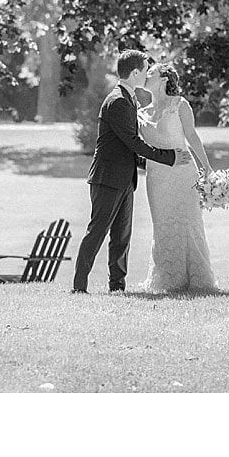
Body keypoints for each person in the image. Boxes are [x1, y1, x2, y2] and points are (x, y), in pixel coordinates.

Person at [72, 50, 194, 293]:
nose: (148, 73)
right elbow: (133, 142)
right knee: (97, 231)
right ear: (135, 72)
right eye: (146, 68)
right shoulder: (117, 101)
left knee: (122, 236)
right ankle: (79, 286)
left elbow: (127, 147)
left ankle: (117, 286)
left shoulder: (128, 98)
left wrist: (152, 163)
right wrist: (167, 157)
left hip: (124, 178)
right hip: (107, 178)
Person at [137, 61, 218, 293]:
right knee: (162, 224)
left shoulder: (179, 105)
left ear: (163, 79)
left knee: (188, 222)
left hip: (184, 174)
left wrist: (207, 168)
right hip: (156, 176)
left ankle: (198, 278)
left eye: (150, 73)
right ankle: (166, 279)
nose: (145, 76)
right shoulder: (140, 113)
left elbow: (192, 136)